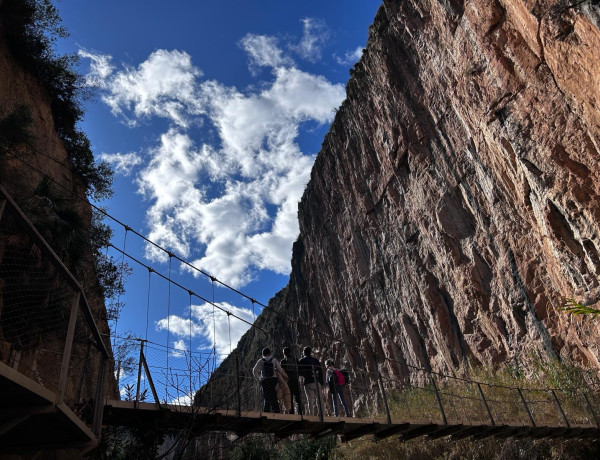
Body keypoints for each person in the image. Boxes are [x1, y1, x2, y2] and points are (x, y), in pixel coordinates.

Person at [252, 348, 282, 413]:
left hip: (265, 380)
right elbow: (280, 369)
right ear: (270, 353)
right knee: (274, 395)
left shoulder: (261, 361)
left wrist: (259, 379)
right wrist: (275, 370)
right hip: (273, 380)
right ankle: (276, 411)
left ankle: (267, 411)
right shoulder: (274, 360)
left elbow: (254, 371)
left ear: (263, 354)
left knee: (266, 396)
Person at [298, 346, 324, 416]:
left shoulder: (302, 361)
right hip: (317, 381)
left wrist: (305, 375)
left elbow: (299, 371)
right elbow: (320, 371)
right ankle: (322, 414)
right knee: (320, 400)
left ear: (304, 352)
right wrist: (321, 382)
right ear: (310, 352)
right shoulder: (316, 360)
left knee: (310, 400)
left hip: (308, 382)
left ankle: (311, 415)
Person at [280, 346, 303, 415]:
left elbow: (281, 371)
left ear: (284, 353)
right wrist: (297, 375)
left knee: (289, 398)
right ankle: (300, 413)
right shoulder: (295, 360)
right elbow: (301, 369)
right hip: (296, 380)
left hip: (288, 382)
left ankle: (291, 413)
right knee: (298, 398)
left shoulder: (283, 361)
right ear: (290, 352)